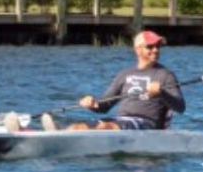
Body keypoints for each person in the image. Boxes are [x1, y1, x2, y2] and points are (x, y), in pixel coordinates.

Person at [48, 30, 186, 132]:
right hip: (121, 121)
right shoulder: (124, 75)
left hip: (146, 124)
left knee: (106, 127)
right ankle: (60, 134)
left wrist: (162, 93)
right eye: (150, 47)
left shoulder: (166, 75)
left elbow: (180, 107)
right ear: (137, 50)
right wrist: (91, 103)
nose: (155, 50)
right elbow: (105, 106)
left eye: (158, 46)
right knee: (78, 127)